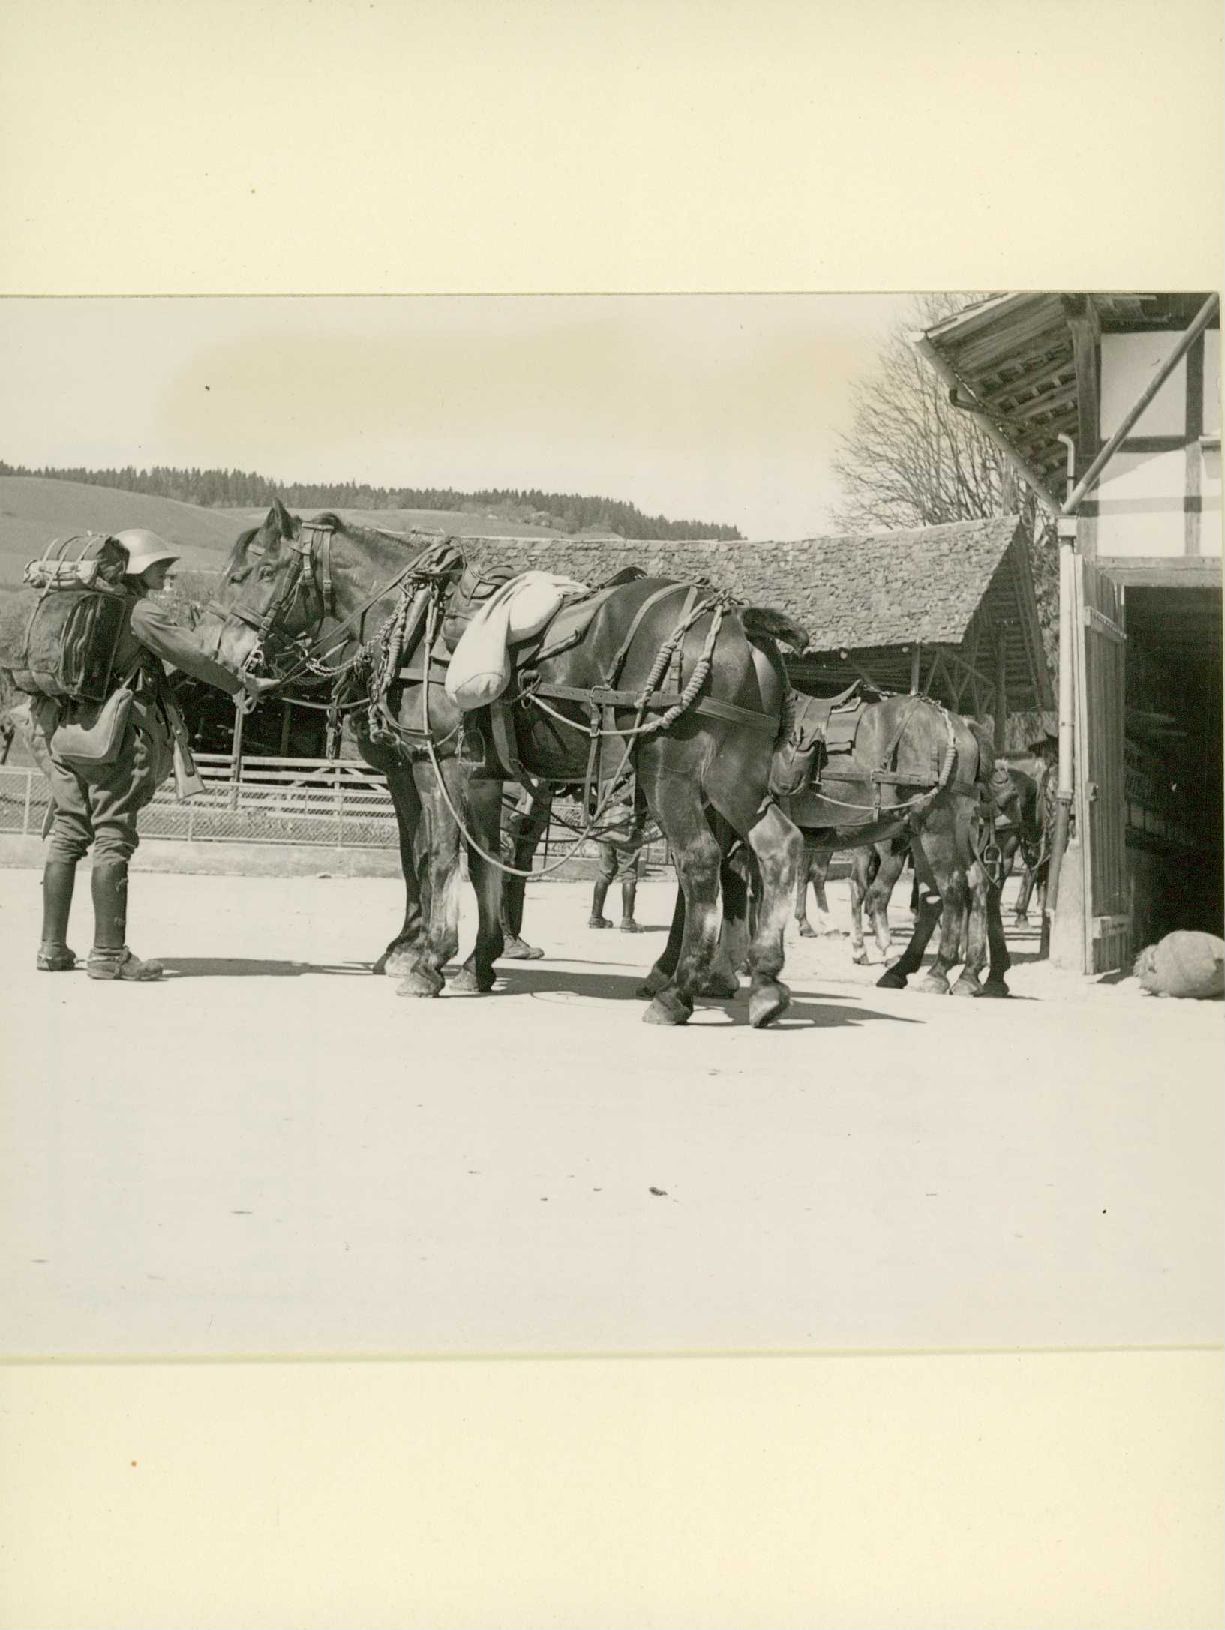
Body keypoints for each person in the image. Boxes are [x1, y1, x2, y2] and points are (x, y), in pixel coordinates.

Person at [33, 529, 274, 981]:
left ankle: (52, 948)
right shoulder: (140, 611)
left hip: (68, 734)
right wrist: (241, 684)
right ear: (137, 569)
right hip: (116, 739)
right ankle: (109, 954)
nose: (167, 573)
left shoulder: (83, 604)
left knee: (67, 834)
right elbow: (194, 655)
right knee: (113, 837)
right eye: (160, 565)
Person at [589, 782, 647, 932]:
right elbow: (642, 804)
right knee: (629, 874)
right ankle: (627, 921)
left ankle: (596, 917)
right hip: (626, 829)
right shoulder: (636, 779)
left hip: (605, 827)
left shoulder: (607, 777)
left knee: (604, 872)